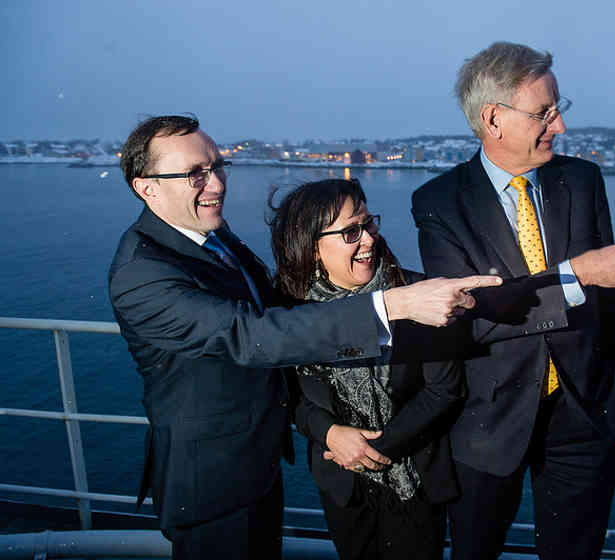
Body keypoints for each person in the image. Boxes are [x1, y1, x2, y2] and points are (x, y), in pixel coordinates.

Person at [108, 115, 500, 560]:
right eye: (195, 173)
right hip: (211, 480)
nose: (216, 184)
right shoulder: (143, 273)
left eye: (218, 166)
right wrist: (394, 305)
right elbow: (252, 334)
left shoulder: (213, 239)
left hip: (254, 466)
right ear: (147, 187)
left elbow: (278, 321)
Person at [411, 42, 615, 560]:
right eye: (544, 113)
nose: (560, 126)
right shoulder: (440, 203)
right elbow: (471, 313)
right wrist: (576, 275)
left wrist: (613, 391)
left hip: (582, 414)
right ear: (493, 118)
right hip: (488, 423)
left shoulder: (581, 179)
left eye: (559, 109)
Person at [270, 178, 462, 560]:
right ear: (311, 248)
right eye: (351, 232)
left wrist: (366, 449)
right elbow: (290, 395)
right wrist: (329, 433)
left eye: (369, 223)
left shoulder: (417, 295)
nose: (370, 239)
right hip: (344, 487)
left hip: (416, 478)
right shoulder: (290, 311)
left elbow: (445, 389)